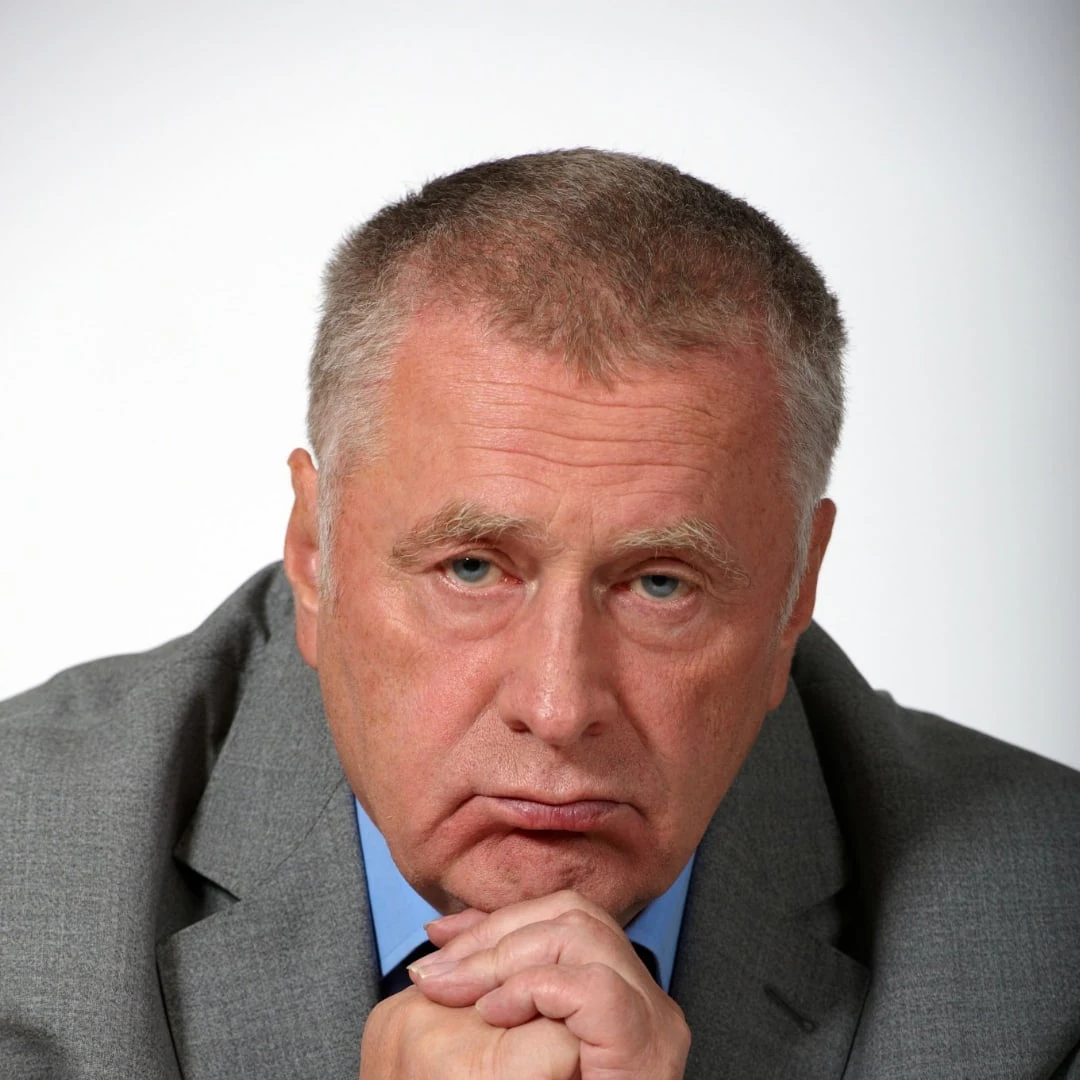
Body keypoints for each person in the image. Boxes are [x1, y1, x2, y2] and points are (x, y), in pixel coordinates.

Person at [1, 149, 1077, 1080]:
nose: (558, 709)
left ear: (797, 589)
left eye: (661, 584)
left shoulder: (1047, 942)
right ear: (316, 554)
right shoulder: (25, 885)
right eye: (472, 568)